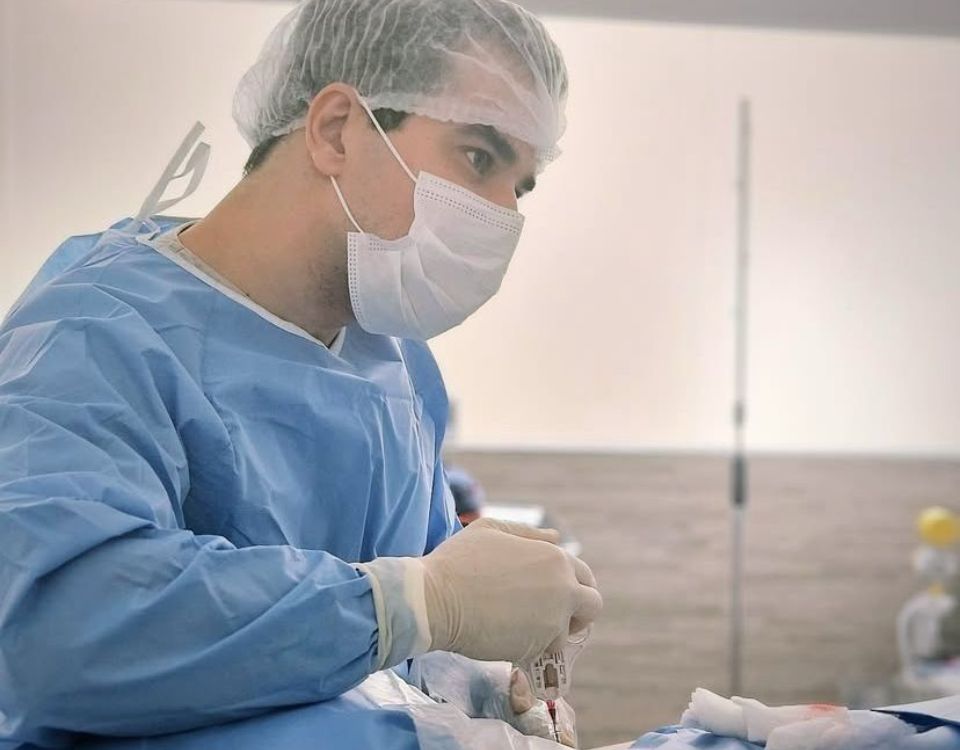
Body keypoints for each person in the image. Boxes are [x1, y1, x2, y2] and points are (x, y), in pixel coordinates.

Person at [0, 1, 601, 748]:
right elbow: (54, 639)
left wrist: (478, 684)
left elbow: (403, 647)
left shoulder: (397, 370)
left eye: (521, 186)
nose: (502, 215)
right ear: (336, 129)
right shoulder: (93, 339)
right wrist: (417, 603)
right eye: (479, 157)